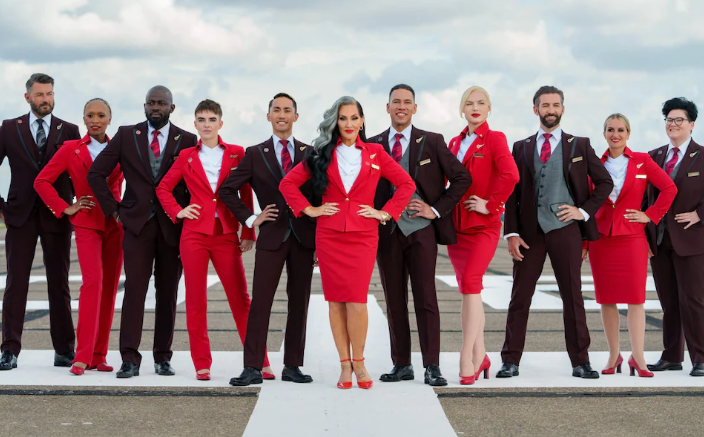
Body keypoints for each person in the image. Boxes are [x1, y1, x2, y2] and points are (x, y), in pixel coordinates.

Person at [280, 96, 415, 389]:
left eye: (354, 118)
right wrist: (309, 209)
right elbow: (287, 184)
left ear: (362, 121)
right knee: (336, 302)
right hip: (329, 235)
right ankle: (344, 365)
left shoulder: (376, 152)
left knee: (356, 301)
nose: (349, 124)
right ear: (335, 122)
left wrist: (385, 213)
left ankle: (360, 363)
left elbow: (407, 184)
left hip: (363, 236)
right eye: (343, 118)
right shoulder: (321, 154)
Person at [500, 85, 613, 379]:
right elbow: (512, 193)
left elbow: (605, 183)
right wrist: (511, 233)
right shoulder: (521, 147)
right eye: (545, 105)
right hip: (529, 233)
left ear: (563, 109)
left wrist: (582, 211)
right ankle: (510, 360)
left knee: (572, 297)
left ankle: (580, 361)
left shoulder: (580, 145)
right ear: (535, 109)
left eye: (555, 105)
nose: (550, 110)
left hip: (566, 230)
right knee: (519, 297)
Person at [88, 86, 197, 378]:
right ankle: (129, 359)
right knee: (134, 291)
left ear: (172, 108)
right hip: (136, 225)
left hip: (173, 227)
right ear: (145, 106)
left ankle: (162, 357)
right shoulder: (127, 135)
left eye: (161, 103)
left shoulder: (187, 140)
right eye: (151, 103)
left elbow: (193, 183)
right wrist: (114, 210)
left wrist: (187, 214)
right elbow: (96, 173)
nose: (155, 107)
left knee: (168, 293)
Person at [156, 99, 269, 380]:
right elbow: (163, 189)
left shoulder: (236, 153)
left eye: (211, 119)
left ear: (221, 123)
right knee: (195, 300)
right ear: (195, 124)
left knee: (240, 299)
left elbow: (245, 193)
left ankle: (259, 359)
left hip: (227, 233)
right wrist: (179, 211)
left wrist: (248, 232)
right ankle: (201, 362)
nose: (206, 125)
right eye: (201, 120)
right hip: (194, 235)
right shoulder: (186, 156)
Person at [367, 84, 470, 387]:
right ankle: (401, 364)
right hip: (387, 231)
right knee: (394, 299)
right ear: (387, 107)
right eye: (396, 102)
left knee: (426, 298)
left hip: (421, 231)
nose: (401, 106)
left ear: (414, 108)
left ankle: (432, 365)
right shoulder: (371, 144)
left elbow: (462, 178)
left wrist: (435, 210)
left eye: (407, 102)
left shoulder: (432, 141)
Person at [223, 93, 317, 387]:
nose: (282, 114)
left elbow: (318, 196)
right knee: (260, 302)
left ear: (296, 117)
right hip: (271, 236)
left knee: (299, 302)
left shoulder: (311, 153)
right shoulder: (254, 153)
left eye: (287, 110)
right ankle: (252, 367)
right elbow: (227, 190)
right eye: (276, 109)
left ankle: (293, 365)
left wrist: (318, 241)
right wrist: (251, 218)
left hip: (303, 238)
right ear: (268, 116)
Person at [34, 98, 124, 375]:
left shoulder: (121, 148)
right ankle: (82, 355)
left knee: (109, 288)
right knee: (93, 284)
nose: (95, 120)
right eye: (90, 115)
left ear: (110, 119)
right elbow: (42, 181)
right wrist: (66, 207)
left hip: (115, 225)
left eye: (101, 115)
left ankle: (99, 355)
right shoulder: (71, 148)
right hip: (86, 223)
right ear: (83, 119)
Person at [586, 114, 676, 378]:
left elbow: (669, 189)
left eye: (620, 130)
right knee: (607, 299)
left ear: (628, 133)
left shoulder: (642, 161)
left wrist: (650, 215)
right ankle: (614, 355)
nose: (615, 134)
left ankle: (638, 357)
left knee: (636, 299)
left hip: (633, 238)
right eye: (610, 130)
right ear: (604, 134)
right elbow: (586, 203)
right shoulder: (595, 164)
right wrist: (584, 242)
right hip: (601, 239)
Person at [0, 73, 80, 371]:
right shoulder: (9, 128)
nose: (46, 99)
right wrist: (1, 207)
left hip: (57, 215)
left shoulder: (69, 130)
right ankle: (9, 350)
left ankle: (64, 350)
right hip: (19, 215)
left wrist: (75, 206)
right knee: (15, 282)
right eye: (40, 95)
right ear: (28, 97)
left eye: (49, 94)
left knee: (59, 283)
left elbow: (79, 172)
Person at [446, 86, 519, 384]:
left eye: (481, 103)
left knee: (471, 286)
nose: (475, 108)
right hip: (457, 228)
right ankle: (481, 355)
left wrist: (491, 205)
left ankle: (466, 356)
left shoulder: (495, 138)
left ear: (489, 109)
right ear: (462, 109)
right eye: (469, 103)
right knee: (469, 291)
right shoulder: (454, 142)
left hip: (482, 228)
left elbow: (511, 175)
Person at [645, 97, 704, 377]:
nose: (673, 124)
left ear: (691, 124)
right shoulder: (653, 156)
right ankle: (671, 356)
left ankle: (700, 357)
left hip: (691, 241)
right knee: (668, 302)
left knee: (693, 301)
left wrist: (699, 215)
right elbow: (645, 197)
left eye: (679, 119)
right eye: (669, 119)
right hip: (659, 240)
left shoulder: (702, 156)